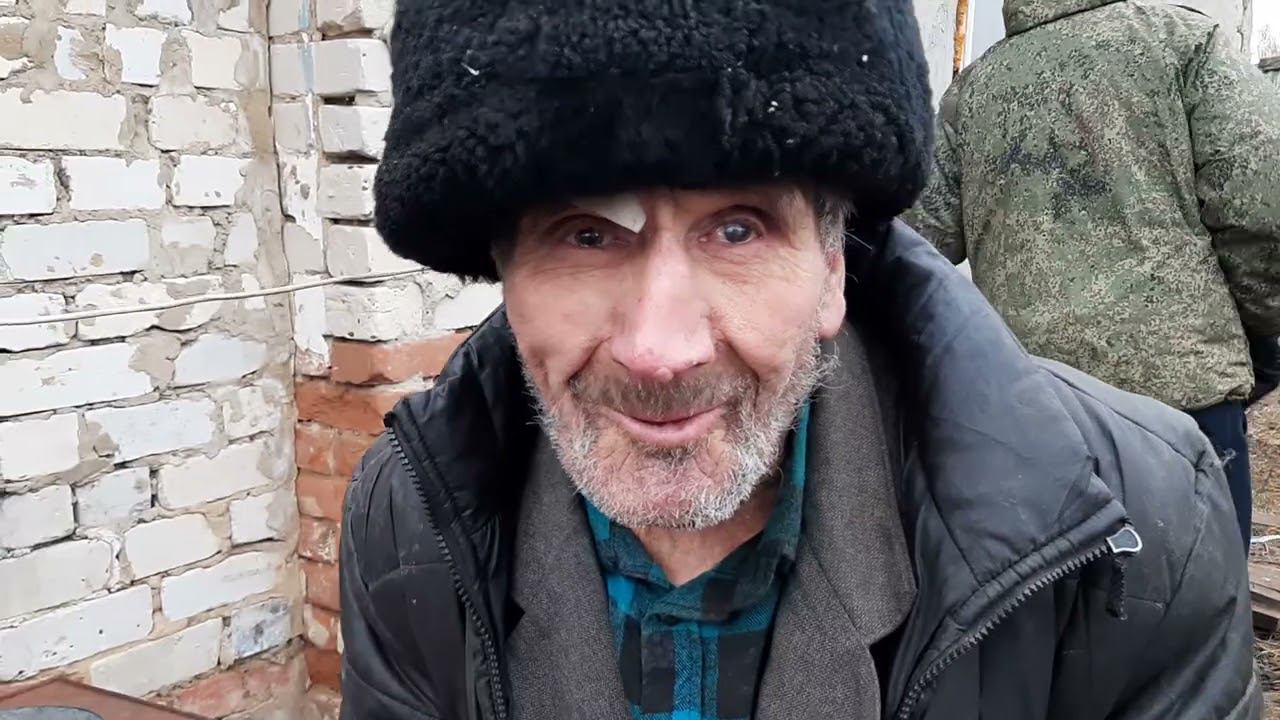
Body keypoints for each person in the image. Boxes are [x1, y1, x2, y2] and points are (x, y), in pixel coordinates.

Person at [339, 1, 1259, 718]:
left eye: (737, 229)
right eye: (585, 235)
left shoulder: (1140, 533)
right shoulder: (411, 521)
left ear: (832, 269)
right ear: (505, 272)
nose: (661, 351)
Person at [905, 0, 1280, 550]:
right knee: (1198, 597)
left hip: (1031, 410)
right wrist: (1262, 331)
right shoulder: (1184, 42)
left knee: (1046, 601)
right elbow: (1261, 209)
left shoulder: (975, 89)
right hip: (1180, 405)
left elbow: (916, 242)